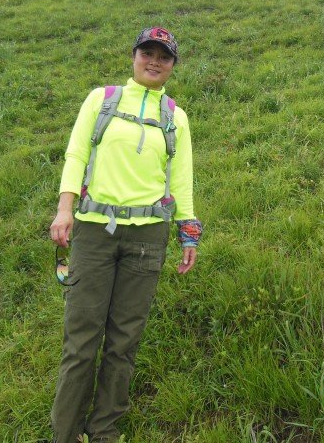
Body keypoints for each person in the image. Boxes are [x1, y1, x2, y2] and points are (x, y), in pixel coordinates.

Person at [49, 27, 202, 443]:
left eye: (164, 57)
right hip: (94, 233)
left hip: (148, 239)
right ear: (133, 57)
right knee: (81, 340)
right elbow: (76, 154)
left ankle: (104, 430)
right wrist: (64, 209)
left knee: (124, 341)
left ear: (173, 66)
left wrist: (188, 232)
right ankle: (65, 433)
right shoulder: (101, 100)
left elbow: (181, 178)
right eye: (147, 53)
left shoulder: (176, 116)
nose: (154, 62)